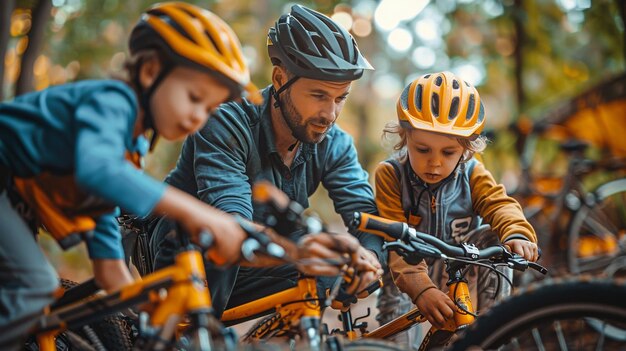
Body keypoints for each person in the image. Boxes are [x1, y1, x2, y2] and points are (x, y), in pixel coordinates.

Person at [0, 3, 262, 349]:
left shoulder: (129, 147)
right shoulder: (112, 102)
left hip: (14, 202)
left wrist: (143, 311)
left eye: (209, 109)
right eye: (194, 98)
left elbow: (107, 252)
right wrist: (196, 211)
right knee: (34, 285)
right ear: (151, 71)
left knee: (38, 295)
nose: (198, 117)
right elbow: (101, 171)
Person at [149, 4, 385, 318]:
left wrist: (368, 257)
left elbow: (364, 214)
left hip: (266, 254)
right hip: (189, 253)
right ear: (278, 78)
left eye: (340, 98)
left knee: (334, 267)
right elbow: (229, 220)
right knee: (216, 244)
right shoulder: (226, 121)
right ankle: (193, 335)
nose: (330, 114)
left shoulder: (335, 142)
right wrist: (301, 251)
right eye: (318, 95)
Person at [374, 71, 539, 348]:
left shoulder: (472, 172)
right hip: (406, 272)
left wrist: (518, 233)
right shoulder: (390, 174)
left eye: (448, 153)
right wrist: (423, 289)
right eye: (423, 149)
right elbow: (395, 241)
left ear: (466, 149)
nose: (434, 163)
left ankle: (493, 328)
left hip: (461, 269)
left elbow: (499, 203)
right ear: (404, 136)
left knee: (493, 235)